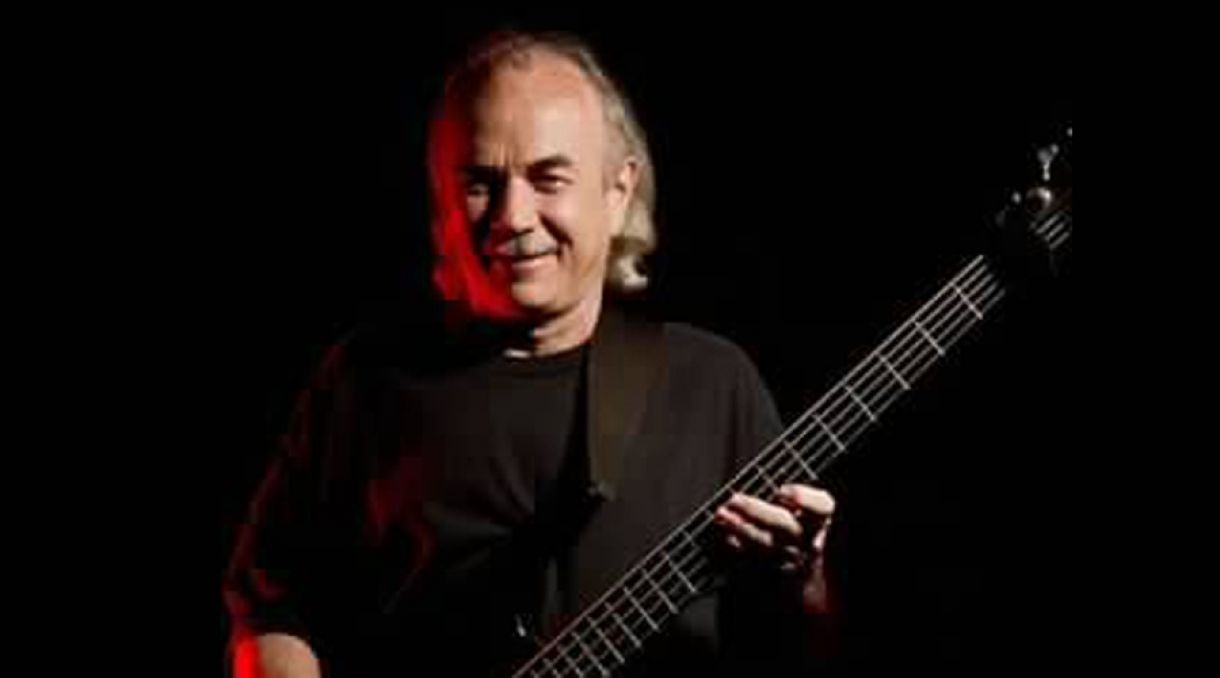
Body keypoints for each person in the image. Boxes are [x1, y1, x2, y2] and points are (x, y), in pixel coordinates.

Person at [224, 30, 837, 677]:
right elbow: (270, 608)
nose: (513, 216)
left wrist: (805, 580)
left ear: (618, 190)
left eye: (548, 179)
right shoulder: (367, 381)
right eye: (480, 183)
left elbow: (805, 645)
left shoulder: (712, 384)